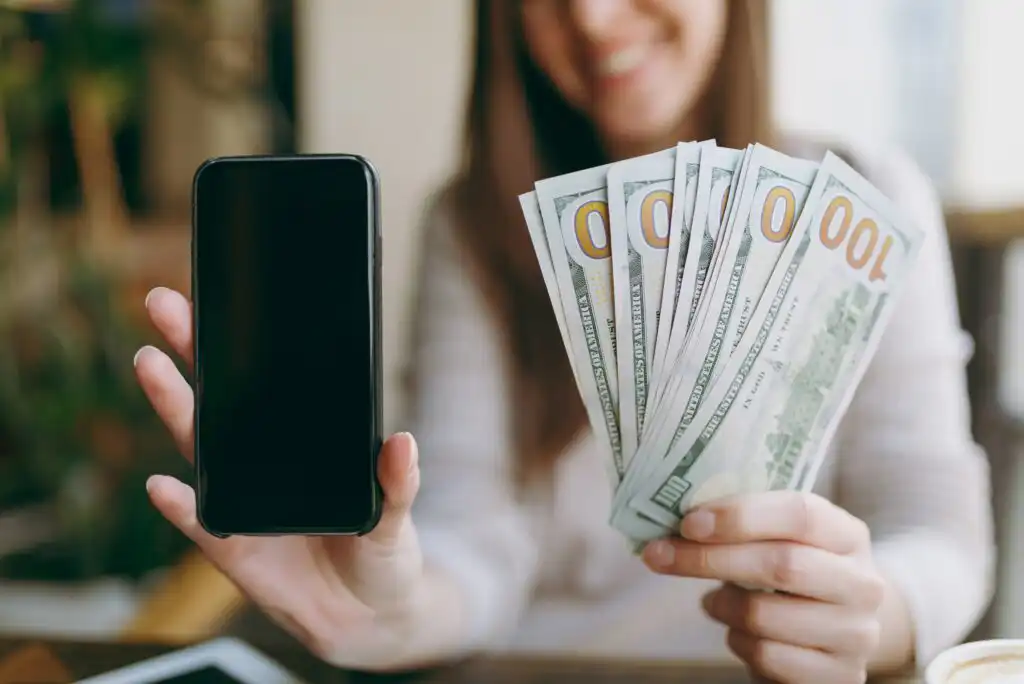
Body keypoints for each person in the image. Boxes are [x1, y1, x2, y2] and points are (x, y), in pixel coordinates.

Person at [133, 1, 995, 681]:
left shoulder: (868, 201)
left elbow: (941, 533)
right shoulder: (473, 228)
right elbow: (474, 545)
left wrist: (870, 614)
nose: (589, 15)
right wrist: (391, 613)